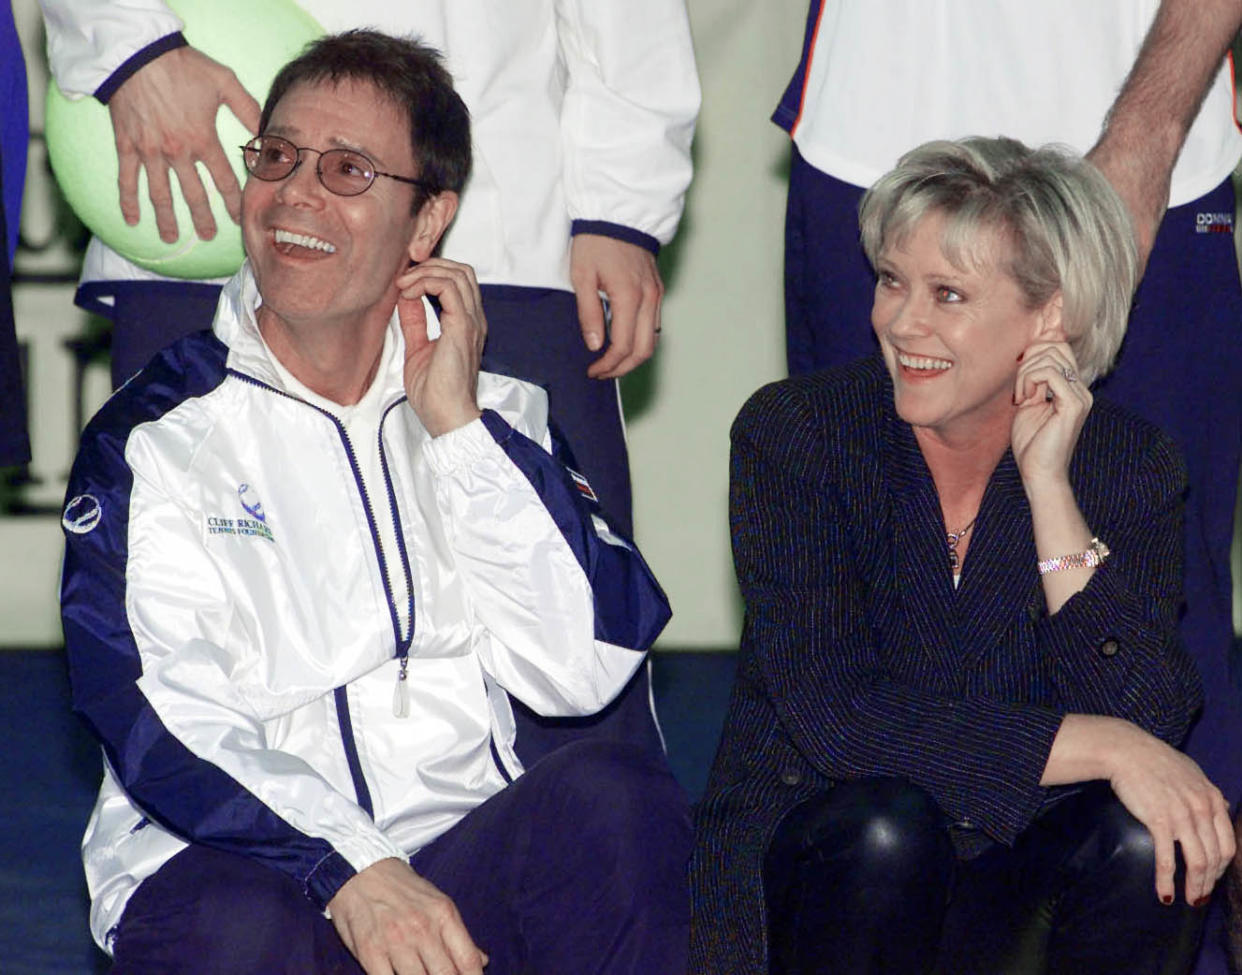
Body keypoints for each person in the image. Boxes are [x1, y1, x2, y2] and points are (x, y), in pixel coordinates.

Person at [60, 31, 689, 975]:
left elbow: (589, 663)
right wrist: (351, 867)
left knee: (616, 802)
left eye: (348, 169)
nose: (296, 194)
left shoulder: (498, 414)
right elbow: (160, 713)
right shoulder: (154, 435)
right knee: (236, 929)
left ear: (427, 223)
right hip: (239, 862)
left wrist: (461, 436)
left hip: (453, 849)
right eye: (276, 157)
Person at [691, 137, 1235, 975]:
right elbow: (843, 717)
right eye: (891, 280)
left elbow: (1148, 707)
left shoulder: (1127, 466)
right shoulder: (800, 434)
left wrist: (1050, 486)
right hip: (826, 879)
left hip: (999, 884)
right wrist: (1112, 748)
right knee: (887, 828)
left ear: (1048, 317)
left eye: (948, 293)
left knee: (1139, 836)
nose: (901, 322)